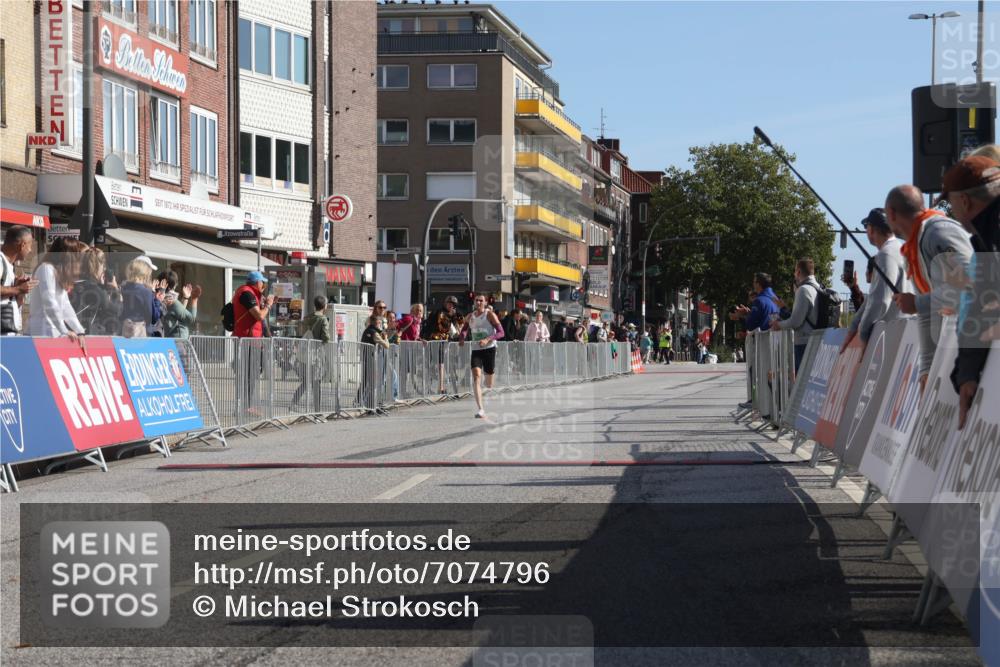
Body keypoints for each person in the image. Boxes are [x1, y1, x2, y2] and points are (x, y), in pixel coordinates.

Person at [886, 184, 975, 393]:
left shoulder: (938, 232)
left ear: (891, 213)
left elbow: (971, 285)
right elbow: (927, 314)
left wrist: (917, 303)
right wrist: (926, 369)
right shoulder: (914, 245)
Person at [936, 156, 999, 428]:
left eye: (950, 203)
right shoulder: (986, 236)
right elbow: (981, 303)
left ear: (964, 201)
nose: (951, 211)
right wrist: (967, 374)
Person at [840, 208, 910, 354]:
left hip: (891, 338)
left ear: (871, 229)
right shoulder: (902, 249)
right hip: (907, 334)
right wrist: (854, 326)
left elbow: (879, 301)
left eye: (866, 227)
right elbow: (873, 298)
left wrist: (863, 335)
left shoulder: (885, 255)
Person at [232, 271, 275, 414]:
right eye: (263, 282)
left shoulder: (253, 294)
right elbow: (259, 316)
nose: (264, 285)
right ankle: (245, 407)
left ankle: (247, 406)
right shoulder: (247, 294)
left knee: (254, 372)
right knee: (248, 374)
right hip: (247, 340)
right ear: (257, 282)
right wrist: (268, 306)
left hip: (253, 340)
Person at [27, 238, 86, 340]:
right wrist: (64, 330)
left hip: (53, 331)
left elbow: (66, 306)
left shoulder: (58, 272)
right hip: (42, 331)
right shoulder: (46, 269)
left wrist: (80, 331)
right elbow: (49, 301)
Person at [770, 259, 823, 372]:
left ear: (798, 272)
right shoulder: (819, 288)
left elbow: (795, 321)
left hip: (804, 342)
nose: (794, 275)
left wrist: (778, 325)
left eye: (795, 271)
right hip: (818, 340)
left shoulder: (803, 290)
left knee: (801, 377)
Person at [459, 293, 505, 418]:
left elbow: (501, 333)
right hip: (476, 349)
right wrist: (462, 337)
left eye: (481, 300)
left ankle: (488, 381)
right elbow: (464, 329)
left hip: (489, 349)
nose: (478, 302)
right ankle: (481, 409)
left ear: (485, 303)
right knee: (476, 376)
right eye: (476, 300)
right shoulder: (470, 316)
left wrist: (487, 339)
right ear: (474, 302)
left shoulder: (490, 315)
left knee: (489, 383)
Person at [70, 246, 123, 335]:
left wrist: (101, 286)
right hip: (87, 336)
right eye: (103, 265)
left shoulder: (76, 284)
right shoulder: (95, 290)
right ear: (97, 266)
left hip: (72, 332)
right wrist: (116, 290)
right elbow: (116, 311)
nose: (104, 269)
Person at [291, 295, 332, 412]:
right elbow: (326, 337)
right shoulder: (323, 319)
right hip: (316, 354)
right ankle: (317, 410)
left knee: (306, 381)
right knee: (316, 382)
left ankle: (293, 403)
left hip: (304, 353)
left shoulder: (307, 317)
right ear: (324, 306)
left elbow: (301, 332)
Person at [1, 226, 38, 335]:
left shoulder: (9, 265)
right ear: (22, 245)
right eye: (30, 246)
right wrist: (18, 289)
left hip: (8, 331)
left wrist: (20, 292)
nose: (30, 250)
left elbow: (13, 304)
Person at [120, 256, 164, 337]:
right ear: (145, 272)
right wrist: (157, 301)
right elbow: (153, 318)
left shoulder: (123, 288)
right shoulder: (145, 292)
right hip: (141, 334)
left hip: (125, 332)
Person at [732, 272, 780, 339]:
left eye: (754, 282)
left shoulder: (759, 301)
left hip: (762, 341)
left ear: (758, 284)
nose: (753, 284)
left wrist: (743, 315)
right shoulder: (776, 299)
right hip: (776, 340)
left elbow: (751, 325)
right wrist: (749, 313)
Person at [157, 270, 201, 339]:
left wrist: (185, 298)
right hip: (177, 341)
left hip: (168, 338)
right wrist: (194, 299)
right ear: (174, 285)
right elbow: (191, 319)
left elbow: (178, 314)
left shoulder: (160, 298)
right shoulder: (172, 301)